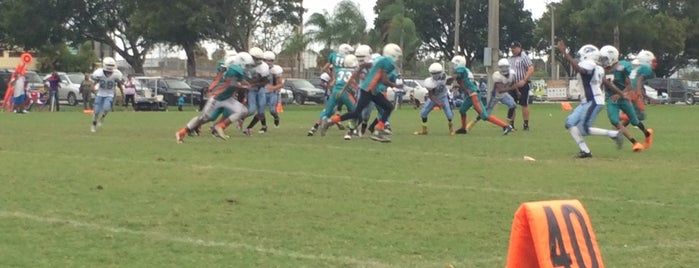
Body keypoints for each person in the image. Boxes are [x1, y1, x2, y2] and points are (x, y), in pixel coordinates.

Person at [320, 43, 402, 142]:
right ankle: (377, 131)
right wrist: (396, 85)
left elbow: (364, 65)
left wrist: (358, 74)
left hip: (371, 89)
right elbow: (384, 80)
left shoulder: (380, 60)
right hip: (369, 89)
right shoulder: (388, 62)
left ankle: (378, 130)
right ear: (393, 54)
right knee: (380, 109)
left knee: (382, 108)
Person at [558, 41, 625, 158]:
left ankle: (614, 134)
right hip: (587, 101)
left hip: (593, 101)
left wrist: (565, 54)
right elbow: (606, 82)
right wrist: (621, 93)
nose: (579, 59)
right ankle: (585, 151)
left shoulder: (589, 64)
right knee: (569, 123)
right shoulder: (598, 67)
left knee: (583, 129)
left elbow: (581, 70)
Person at [176, 53, 254, 143]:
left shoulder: (236, 69)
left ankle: (220, 126)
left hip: (227, 98)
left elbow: (240, 80)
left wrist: (247, 84)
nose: (248, 67)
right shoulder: (233, 69)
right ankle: (181, 132)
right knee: (204, 118)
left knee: (243, 111)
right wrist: (244, 86)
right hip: (217, 98)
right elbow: (232, 83)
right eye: (247, 65)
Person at [598, 45, 648, 152]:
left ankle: (647, 133)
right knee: (614, 121)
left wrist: (620, 94)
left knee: (634, 121)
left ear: (612, 57)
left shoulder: (621, 67)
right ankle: (635, 142)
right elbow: (601, 83)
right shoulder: (602, 70)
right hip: (611, 99)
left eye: (605, 59)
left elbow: (629, 85)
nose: (603, 61)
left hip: (623, 97)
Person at [451, 55, 513, 135]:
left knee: (484, 116)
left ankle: (506, 126)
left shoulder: (462, 69)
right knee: (462, 110)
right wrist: (459, 86)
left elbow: (456, 78)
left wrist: (447, 79)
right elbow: (467, 83)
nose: (453, 67)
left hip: (474, 95)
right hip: (471, 95)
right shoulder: (465, 71)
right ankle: (463, 128)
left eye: (454, 64)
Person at [466, 58, 518, 131]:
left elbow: (513, 83)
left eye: (505, 66)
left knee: (513, 105)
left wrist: (517, 91)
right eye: (502, 67)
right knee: (486, 113)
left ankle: (509, 125)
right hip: (496, 96)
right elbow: (500, 90)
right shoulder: (497, 75)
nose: (504, 69)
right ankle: (473, 122)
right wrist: (513, 88)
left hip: (504, 94)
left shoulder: (512, 74)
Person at [316, 54, 358, 140]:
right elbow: (353, 83)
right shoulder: (354, 71)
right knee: (355, 111)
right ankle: (352, 130)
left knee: (327, 112)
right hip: (345, 93)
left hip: (335, 92)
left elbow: (334, 80)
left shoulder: (339, 70)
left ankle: (321, 124)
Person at [620, 50, 655, 149]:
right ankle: (646, 135)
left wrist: (639, 92)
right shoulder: (642, 67)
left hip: (633, 94)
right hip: (630, 93)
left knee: (629, 118)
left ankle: (617, 134)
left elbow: (639, 79)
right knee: (628, 118)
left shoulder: (640, 67)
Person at [413, 63, 455, 135]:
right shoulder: (429, 82)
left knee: (449, 114)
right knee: (423, 113)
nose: (435, 74)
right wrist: (438, 103)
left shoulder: (444, 77)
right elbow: (431, 95)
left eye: (437, 73)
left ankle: (451, 129)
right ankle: (424, 130)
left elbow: (449, 81)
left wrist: (455, 76)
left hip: (443, 97)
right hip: (433, 98)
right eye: (433, 73)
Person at [90, 57, 124, 133]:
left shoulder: (116, 74)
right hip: (100, 93)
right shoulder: (99, 73)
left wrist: (122, 93)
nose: (109, 72)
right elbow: (94, 83)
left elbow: (119, 84)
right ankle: (94, 125)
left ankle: (102, 117)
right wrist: (93, 89)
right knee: (96, 112)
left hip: (109, 94)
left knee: (106, 108)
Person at [508, 41, 534, 130]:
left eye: (514, 48)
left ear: (519, 48)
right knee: (512, 104)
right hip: (512, 85)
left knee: (524, 104)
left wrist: (524, 80)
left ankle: (526, 124)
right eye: (512, 48)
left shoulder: (524, 57)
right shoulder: (510, 58)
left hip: (522, 84)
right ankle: (511, 124)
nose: (513, 50)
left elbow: (530, 68)